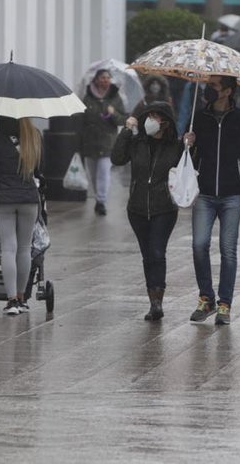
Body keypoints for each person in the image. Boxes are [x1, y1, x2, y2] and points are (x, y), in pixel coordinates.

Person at [184, 75, 240, 325]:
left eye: (215, 86)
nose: (209, 89)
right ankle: (206, 298)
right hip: (204, 192)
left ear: (228, 91)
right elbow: (187, 157)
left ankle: (224, 304)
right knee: (199, 245)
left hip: (233, 194)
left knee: (228, 250)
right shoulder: (198, 117)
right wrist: (187, 144)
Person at [111, 102, 184, 320]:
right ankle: (152, 299)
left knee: (157, 252)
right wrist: (126, 130)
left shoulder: (176, 146)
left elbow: (190, 169)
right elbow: (117, 158)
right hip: (137, 207)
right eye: (148, 115)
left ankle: (157, 302)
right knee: (147, 255)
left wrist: (191, 147)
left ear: (166, 121)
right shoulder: (137, 142)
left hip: (164, 207)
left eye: (156, 116)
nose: (151, 119)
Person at [0, 116, 43, 315]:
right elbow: (41, 170)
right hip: (29, 198)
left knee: (8, 248)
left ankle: (11, 299)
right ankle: (22, 298)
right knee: (24, 248)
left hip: (3, 198)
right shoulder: (33, 135)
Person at [77, 68, 126, 215]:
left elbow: (122, 119)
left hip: (107, 142)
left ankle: (101, 201)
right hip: (90, 142)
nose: (105, 80)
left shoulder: (116, 97)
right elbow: (81, 119)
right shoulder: (88, 97)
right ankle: (99, 197)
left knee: (103, 172)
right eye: (102, 77)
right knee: (93, 174)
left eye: (108, 78)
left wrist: (113, 113)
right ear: (96, 80)